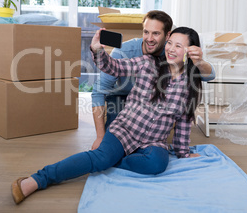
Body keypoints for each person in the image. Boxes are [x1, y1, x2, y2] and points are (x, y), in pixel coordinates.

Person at [11, 26, 204, 205]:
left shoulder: (190, 87)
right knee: (101, 158)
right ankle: (38, 179)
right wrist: (98, 51)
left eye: (178, 46)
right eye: (170, 43)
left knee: (157, 163)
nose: (170, 48)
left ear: (191, 51)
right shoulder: (148, 64)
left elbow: (183, 123)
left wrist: (183, 153)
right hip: (125, 130)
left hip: (154, 141)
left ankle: (115, 160)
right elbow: (115, 67)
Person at [91, 10, 215, 150]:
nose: (149, 38)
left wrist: (199, 61)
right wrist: (100, 137)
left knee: (149, 144)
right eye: (146, 32)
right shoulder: (124, 51)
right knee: (114, 143)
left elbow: (209, 76)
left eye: (156, 33)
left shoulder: (170, 52)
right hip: (121, 98)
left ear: (167, 35)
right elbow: (98, 92)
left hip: (152, 100)